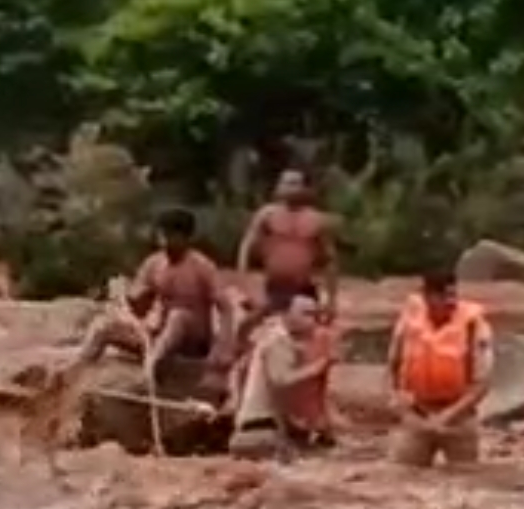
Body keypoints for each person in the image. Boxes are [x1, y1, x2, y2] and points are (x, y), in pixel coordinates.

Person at [66, 208, 235, 382]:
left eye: (171, 236)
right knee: (103, 325)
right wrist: (127, 296)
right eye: (162, 236)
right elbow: (139, 309)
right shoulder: (153, 264)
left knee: (179, 317)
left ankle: (151, 368)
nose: (165, 242)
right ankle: (74, 373)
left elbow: (226, 308)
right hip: (157, 337)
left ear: (186, 238)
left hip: (192, 342)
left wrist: (223, 347)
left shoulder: (203, 267)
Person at [387, 269, 495, 468]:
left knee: (466, 476)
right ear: (427, 296)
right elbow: (393, 363)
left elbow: (482, 382)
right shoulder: (408, 321)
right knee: (403, 472)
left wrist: (447, 416)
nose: (450, 302)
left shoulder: (474, 326)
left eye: (453, 295)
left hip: (460, 417)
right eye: (444, 296)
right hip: (417, 414)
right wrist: (397, 398)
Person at [228, 294, 336, 460]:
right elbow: (281, 380)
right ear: (287, 314)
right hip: (260, 431)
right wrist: (318, 367)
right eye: (306, 314)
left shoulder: (272, 340)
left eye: (315, 316)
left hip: (256, 430)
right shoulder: (278, 341)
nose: (313, 322)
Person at [236, 168, 337, 318]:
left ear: (304, 189)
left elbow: (330, 261)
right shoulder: (267, 215)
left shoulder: (316, 220)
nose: (290, 188)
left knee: (303, 324)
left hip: (304, 289)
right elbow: (245, 249)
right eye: (286, 183)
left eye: (295, 183)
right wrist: (246, 289)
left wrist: (331, 301)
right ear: (278, 187)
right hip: (273, 289)